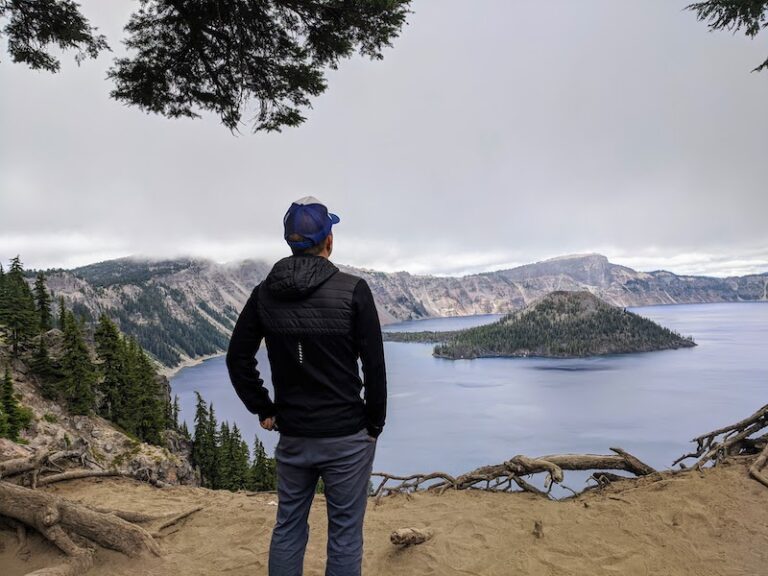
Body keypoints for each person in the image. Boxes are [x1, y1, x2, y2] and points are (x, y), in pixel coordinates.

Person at [226, 196, 387, 576]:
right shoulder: (353, 290)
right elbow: (375, 368)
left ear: (289, 241)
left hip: (294, 434)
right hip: (347, 436)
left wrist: (264, 408)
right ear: (328, 241)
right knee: (345, 534)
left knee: (289, 526)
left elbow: (237, 359)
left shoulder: (264, 293)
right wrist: (374, 424)